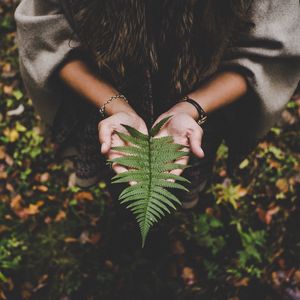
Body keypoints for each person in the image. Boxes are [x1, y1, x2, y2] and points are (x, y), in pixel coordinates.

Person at [14, 0, 300, 208]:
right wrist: (117, 106)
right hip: (101, 91)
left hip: (203, 100)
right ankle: (128, 208)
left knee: (182, 172)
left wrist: (189, 108)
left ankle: (161, 210)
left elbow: (269, 51)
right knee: (115, 168)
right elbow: (45, 34)